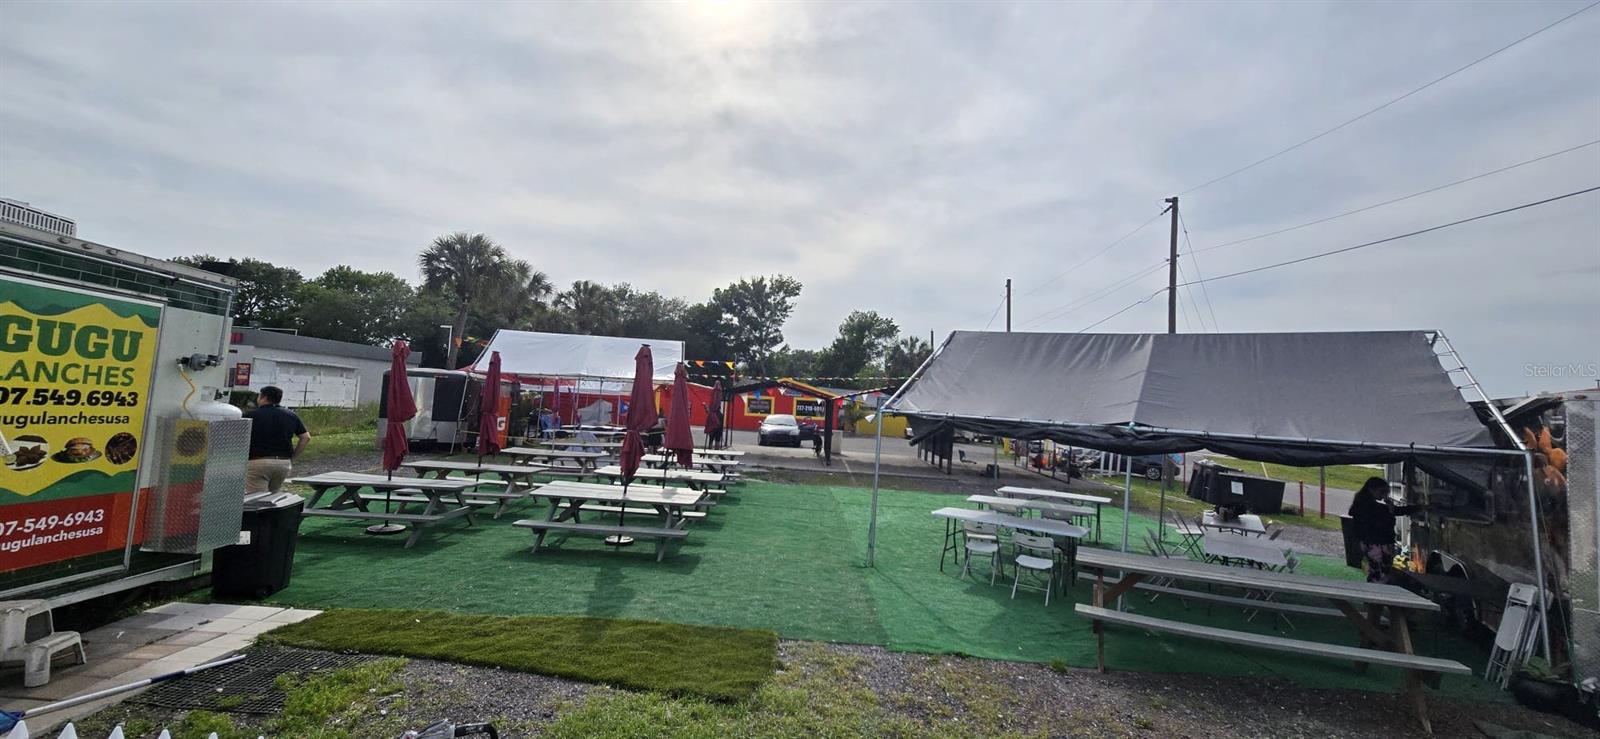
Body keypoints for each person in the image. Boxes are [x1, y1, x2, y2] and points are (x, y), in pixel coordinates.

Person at [1346, 476, 1420, 584]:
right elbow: (1389, 516)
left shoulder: (1362, 504)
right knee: (1382, 571)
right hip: (1378, 542)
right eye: (1382, 491)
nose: (1384, 495)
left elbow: (1394, 511)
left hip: (1369, 542)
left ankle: (1373, 590)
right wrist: (1391, 508)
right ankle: (1379, 590)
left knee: (1376, 570)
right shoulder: (1372, 507)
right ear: (1372, 490)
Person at [244, 386, 311, 493]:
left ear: (264, 397)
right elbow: (305, 437)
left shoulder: (251, 415)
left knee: (256, 498)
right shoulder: (291, 415)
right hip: (283, 463)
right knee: (273, 496)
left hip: (258, 462)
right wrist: (292, 457)